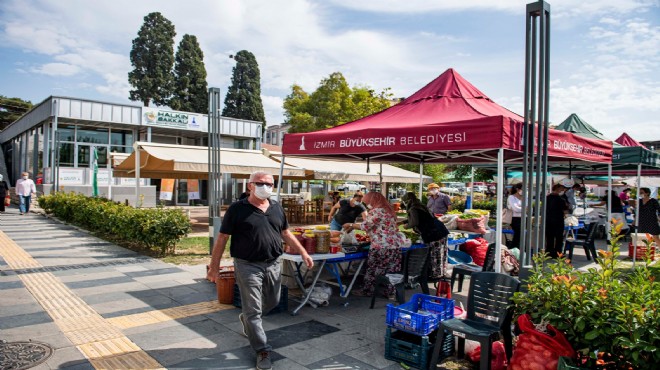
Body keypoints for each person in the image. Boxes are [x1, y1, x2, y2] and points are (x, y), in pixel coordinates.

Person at [207, 171, 313, 370]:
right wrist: (214, 267)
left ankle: (247, 318)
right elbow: (222, 238)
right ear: (250, 185)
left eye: (270, 184)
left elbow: (285, 233)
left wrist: (303, 252)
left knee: (273, 301)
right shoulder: (238, 209)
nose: (265, 187)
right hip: (247, 264)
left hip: (273, 262)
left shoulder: (276, 207)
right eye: (260, 183)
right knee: (254, 310)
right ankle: (262, 350)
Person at [343, 192, 405, 296]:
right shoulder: (389, 209)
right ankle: (391, 292)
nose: (367, 204)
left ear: (373, 200)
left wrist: (350, 224)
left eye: (368, 202)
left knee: (372, 269)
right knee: (391, 270)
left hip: (381, 245)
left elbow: (366, 226)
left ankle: (368, 290)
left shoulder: (378, 211)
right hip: (395, 245)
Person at [400, 192, 450, 279]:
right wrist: (402, 222)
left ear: (407, 201)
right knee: (441, 253)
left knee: (435, 254)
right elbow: (418, 217)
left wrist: (406, 226)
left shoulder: (413, 208)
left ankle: (435, 275)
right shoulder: (420, 205)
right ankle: (441, 273)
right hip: (440, 230)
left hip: (433, 233)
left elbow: (414, 222)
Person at [545, 184, 569, 258]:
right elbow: (565, 211)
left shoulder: (547, 198)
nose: (562, 191)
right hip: (558, 220)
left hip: (548, 219)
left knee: (549, 237)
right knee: (559, 237)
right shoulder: (561, 199)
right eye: (561, 189)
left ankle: (549, 252)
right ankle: (558, 253)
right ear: (557, 189)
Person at [507, 183, 523, 249]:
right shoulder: (511, 197)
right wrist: (524, 208)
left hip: (524, 218)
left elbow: (530, 208)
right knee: (517, 235)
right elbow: (515, 209)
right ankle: (513, 249)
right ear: (517, 189)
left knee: (521, 236)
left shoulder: (525, 197)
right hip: (515, 219)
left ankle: (518, 249)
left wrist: (520, 208)